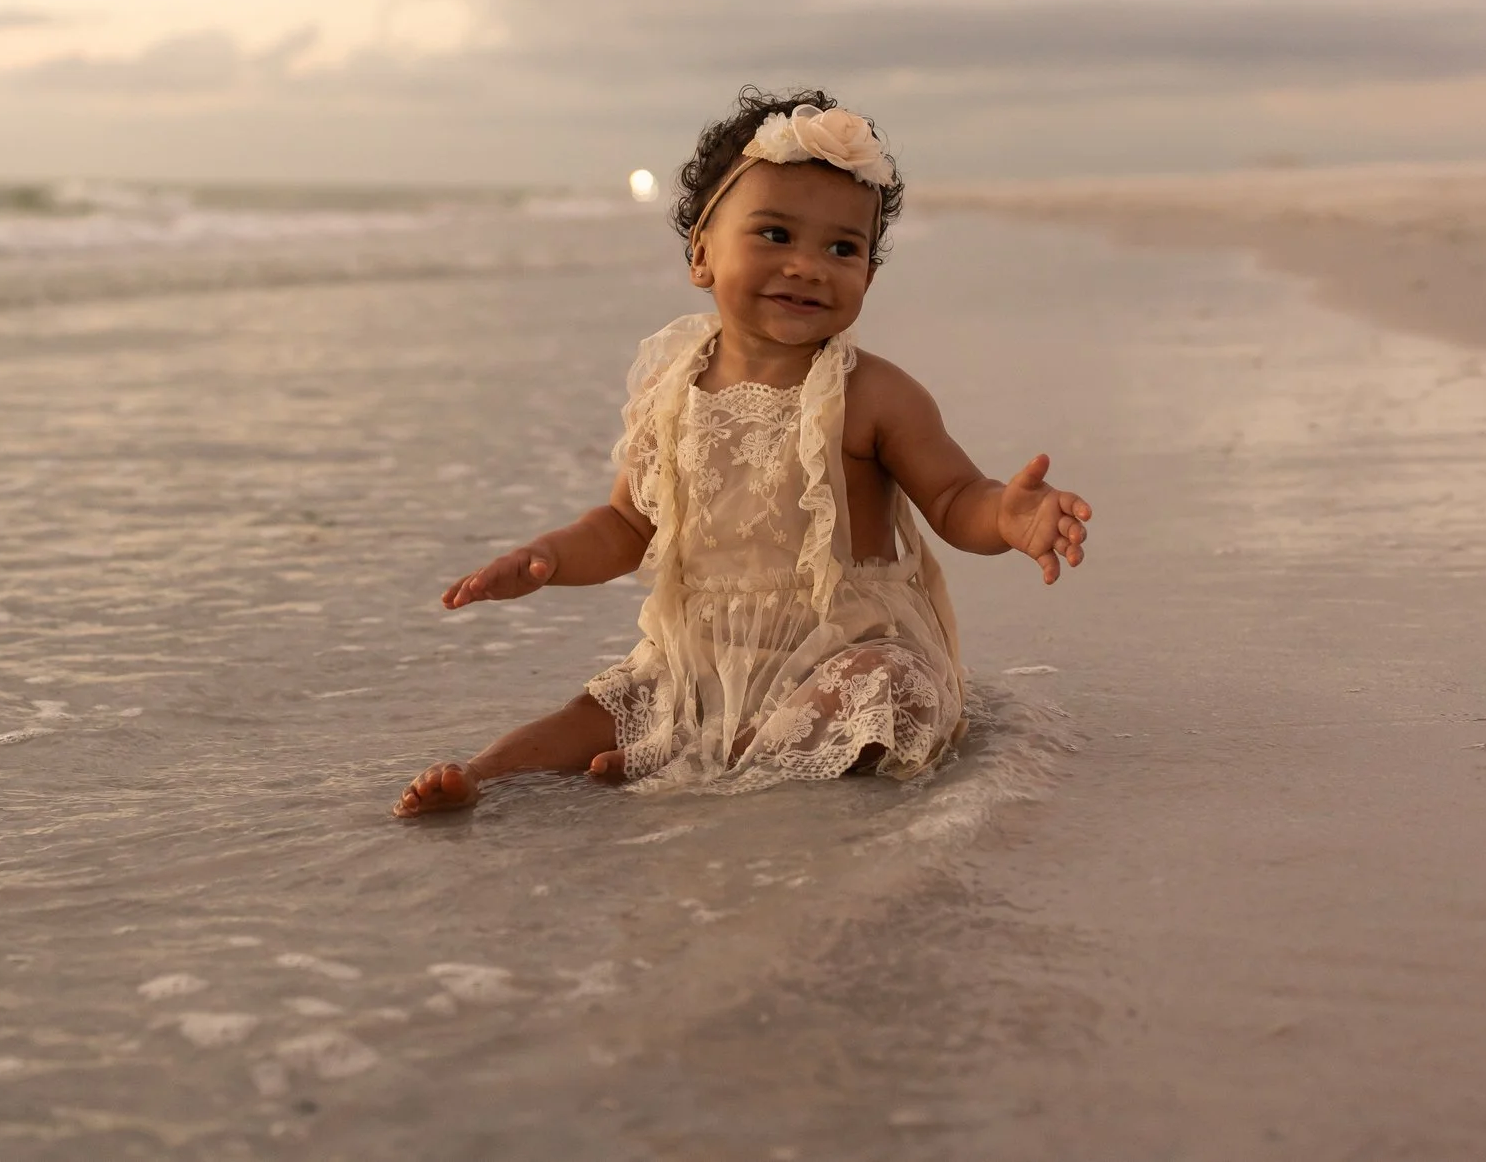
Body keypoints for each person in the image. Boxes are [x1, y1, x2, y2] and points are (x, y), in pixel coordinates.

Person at [393, 88, 1093, 816]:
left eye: (842, 248)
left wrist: (1007, 516)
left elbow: (953, 498)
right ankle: (481, 775)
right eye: (775, 235)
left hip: (843, 645)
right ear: (702, 252)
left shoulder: (874, 394)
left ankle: (716, 752)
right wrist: (546, 560)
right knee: (601, 707)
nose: (808, 265)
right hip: (704, 653)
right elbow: (627, 526)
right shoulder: (672, 387)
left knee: (889, 693)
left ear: (869, 279)